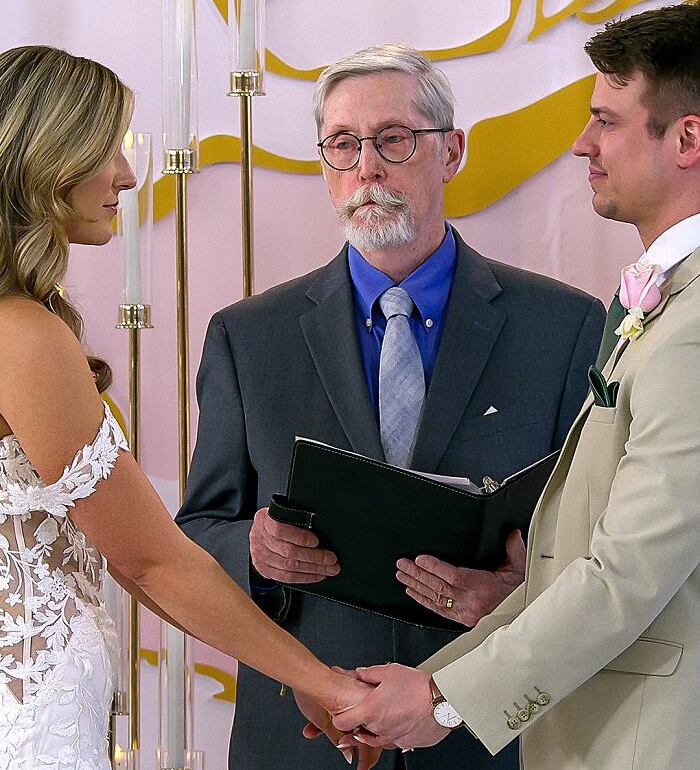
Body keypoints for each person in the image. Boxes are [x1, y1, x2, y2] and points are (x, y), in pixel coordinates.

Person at [176, 44, 605, 770]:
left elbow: (605, 543)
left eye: (394, 139)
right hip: (306, 737)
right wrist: (251, 548)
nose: (366, 167)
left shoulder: (564, 327)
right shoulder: (247, 336)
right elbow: (196, 534)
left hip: (490, 738)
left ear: (452, 152)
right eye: (343, 144)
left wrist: (517, 592)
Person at [332, 1, 700, 770]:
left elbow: (625, 573)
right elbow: (572, 564)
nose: (582, 143)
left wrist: (441, 701)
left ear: (687, 139)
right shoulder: (665, 300)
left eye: (606, 120)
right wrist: (429, 685)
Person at [0, 45, 380, 770]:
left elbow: (134, 559)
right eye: (105, 145)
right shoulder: (21, 332)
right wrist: (322, 680)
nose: (127, 173)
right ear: (47, 155)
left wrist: (297, 673)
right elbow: (152, 560)